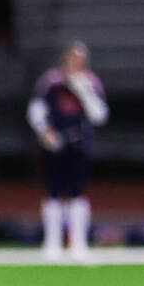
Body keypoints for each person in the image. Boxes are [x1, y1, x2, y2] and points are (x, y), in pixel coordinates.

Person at [27, 41, 107, 261]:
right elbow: (35, 110)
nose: (75, 64)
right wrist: (44, 131)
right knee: (53, 192)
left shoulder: (89, 81)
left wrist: (84, 92)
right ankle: (52, 243)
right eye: (72, 59)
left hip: (79, 144)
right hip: (55, 143)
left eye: (79, 60)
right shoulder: (50, 81)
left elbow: (99, 116)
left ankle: (78, 243)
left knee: (76, 193)